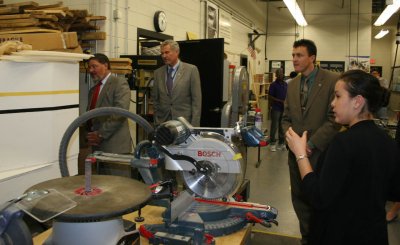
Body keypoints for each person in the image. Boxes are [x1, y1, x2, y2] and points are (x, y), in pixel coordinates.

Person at [285, 70, 400, 244]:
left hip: (341, 235)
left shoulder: (344, 143)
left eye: (338, 96)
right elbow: (394, 190)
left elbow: (318, 196)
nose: (332, 103)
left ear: (357, 102)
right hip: (374, 235)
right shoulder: (387, 141)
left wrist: (300, 153)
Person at [281, 39, 341, 245]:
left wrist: (310, 144)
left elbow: (335, 119)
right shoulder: (292, 85)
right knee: (299, 199)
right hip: (294, 155)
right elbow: (286, 117)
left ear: (312, 58)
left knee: (319, 201)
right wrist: (292, 141)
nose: (294, 59)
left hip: (320, 153)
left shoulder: (333, 80)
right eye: (293, 55)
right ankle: (307, 238)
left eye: (299, 55)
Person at [86, 53, 131, 154]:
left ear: (105, 65)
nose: (91, 70)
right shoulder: (93, 90)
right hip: (97, 147)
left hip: (115, 146)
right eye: (89, 67)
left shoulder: (119, 83)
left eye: (94, 66)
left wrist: (100, 134)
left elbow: (120, 113)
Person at [152, 40, 202, 126]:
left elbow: (196, 101)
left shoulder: (191, 70)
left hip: (184, 123)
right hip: (163, 122)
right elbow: (155, 99)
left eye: (167, 52)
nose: (164, 56)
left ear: (177, 52)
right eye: (162, 53)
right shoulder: (158, 73)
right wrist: (157, 120)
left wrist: (194, 126)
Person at [268, 68, 287, 151]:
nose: (280, 75)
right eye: (278, 73)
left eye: (282, 73)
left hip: (284, 108)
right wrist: (280, 101)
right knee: (274, 126)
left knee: (282, 126)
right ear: (276, 75)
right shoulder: (273, 85)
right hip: (276, 108)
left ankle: (281, 143)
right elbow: (270, 96)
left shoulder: (285, 84)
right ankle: (272, 143)